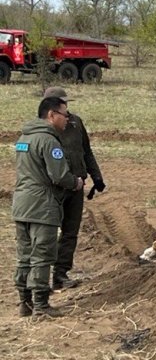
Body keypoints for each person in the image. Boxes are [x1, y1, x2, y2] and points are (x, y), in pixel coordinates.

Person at [12, 97, 84, 318]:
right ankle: (41, 305)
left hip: (21, 204)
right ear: (51, 115)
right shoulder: (49, 141)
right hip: (42, 205)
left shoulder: (24, 138)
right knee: (43, 255)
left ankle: (25, 303)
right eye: (64, 114)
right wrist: (76, 182)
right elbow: (59, 175)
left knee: (25, 255)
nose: (67, 119)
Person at [43, 87, 105, 290]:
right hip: (54, 188)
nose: (65, 108)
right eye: (61, 103)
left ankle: (60, 274)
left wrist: (96, 176)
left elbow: (86, 151)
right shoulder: (44, 129)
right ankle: (42, 277)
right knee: (48, 232)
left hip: (77, 186)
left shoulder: (76, 123)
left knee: (70, 231)